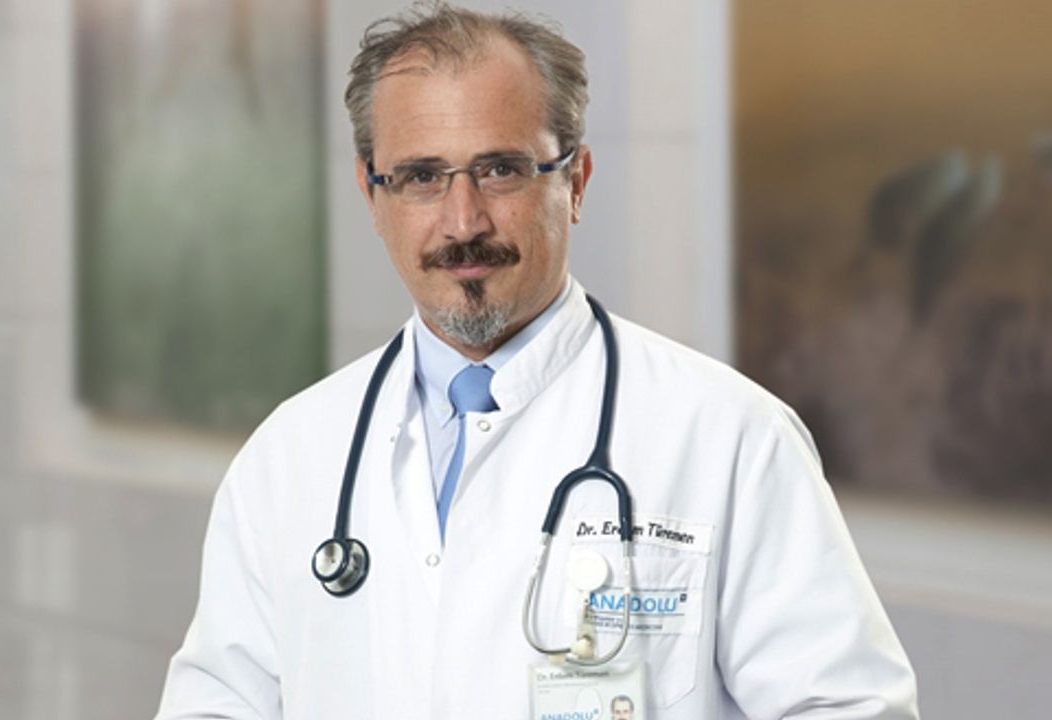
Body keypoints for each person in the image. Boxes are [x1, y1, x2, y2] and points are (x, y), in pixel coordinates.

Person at [156, 3, 919, 718]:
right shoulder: (288, 458)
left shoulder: (730, 438)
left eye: (500, 170)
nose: (463, 222)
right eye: (421, 177)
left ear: (575, 183)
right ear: (372, 195)